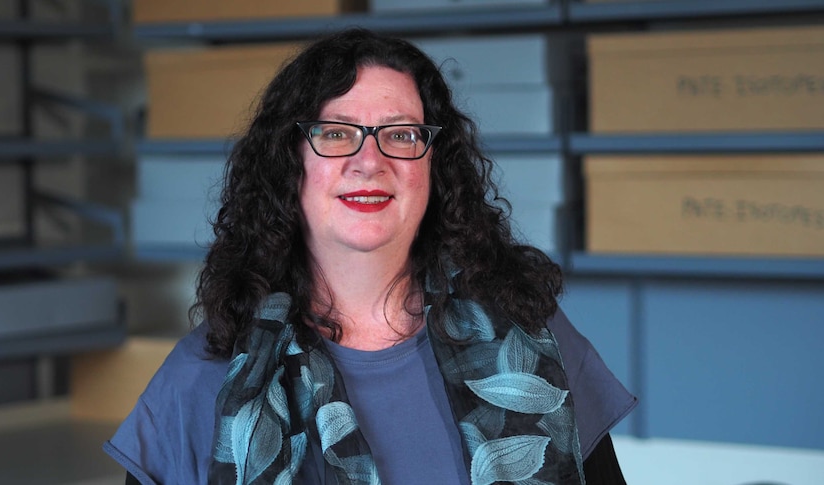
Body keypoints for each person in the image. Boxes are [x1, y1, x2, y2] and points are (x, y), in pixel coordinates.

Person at [105, 28, 636, 485]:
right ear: (289, 163)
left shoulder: (532, 337)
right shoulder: (199, 379)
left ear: (435, 166)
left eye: (401, 134)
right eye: (336, 133)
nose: (370, 161)